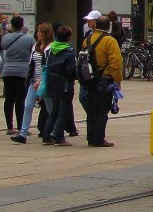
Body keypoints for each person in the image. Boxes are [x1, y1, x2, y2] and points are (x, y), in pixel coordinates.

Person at [82, 16, 123, 147]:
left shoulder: (87, 39)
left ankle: (90, 137)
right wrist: (118, 80)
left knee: (92, 109)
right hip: (104, 79)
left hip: (90, 79)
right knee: (102, 110)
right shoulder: (110, 41)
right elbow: (115, 63)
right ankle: (98, 138)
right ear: (108, 27)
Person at [11, 22, 54, 144]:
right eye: (38, 31)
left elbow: (50, 66)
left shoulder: (51, 47)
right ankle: (23, 133)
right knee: (28, 106)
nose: (38, 33)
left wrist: (41, 80)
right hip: (33, 81)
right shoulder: (35, 46)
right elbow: (32, 63)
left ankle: (53, 132)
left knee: (50, 108)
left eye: (40, 31)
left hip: (45, 81)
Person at [0, 15, 35, 134]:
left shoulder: (6, 38)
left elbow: (2, 46)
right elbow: (33, 52)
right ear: (22, 25)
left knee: (9, 99)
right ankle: (20, 127)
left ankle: (9, 127)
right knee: (20, 99)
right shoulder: (28, 39)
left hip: (8, 70)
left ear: (11, 25)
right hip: (22, 71)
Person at [40, 26, 77, 146]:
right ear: (69, 38)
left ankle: (46, 136)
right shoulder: (69, 52)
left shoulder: (51, 49)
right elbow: (70, 71)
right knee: (63, 111)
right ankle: (58, 137)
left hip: (52, 82)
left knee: (54, 111)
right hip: (65, 84)